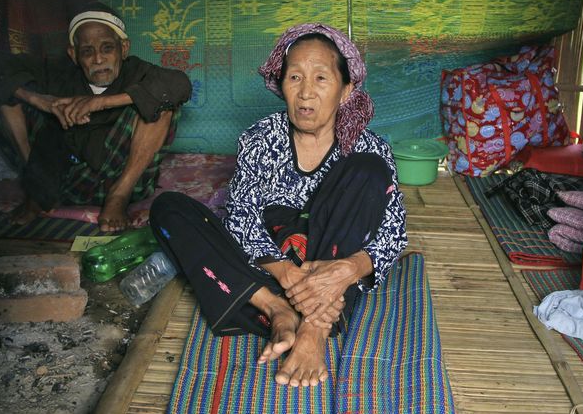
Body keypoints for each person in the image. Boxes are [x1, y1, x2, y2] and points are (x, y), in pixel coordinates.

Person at [149, 23, 407, 387]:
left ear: (346, 90)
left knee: (368, 170)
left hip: (331, 279)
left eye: (321, 78)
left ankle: (314, 330)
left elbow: (393, 233)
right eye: (295, 77)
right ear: (281, 84)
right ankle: (279, 312)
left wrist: (345, 271)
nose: (306, 92)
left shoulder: (369, 147)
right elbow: (242, 217)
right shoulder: (260, 138)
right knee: (169, 209)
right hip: (265, 277)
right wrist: (288, 276)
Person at [0, 2, 192, 231]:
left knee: (161, 104)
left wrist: (101, 102)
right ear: (74, 54)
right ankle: (35, 189)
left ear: (124, 48)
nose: (98, 59)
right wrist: (40, 100)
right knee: (6, 93)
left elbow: (180, 84)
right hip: (63, 181)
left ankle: (118, 197)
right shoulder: (58, 71)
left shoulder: (137, 71)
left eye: (107, 48)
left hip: (120, 178)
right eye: (87, 51)